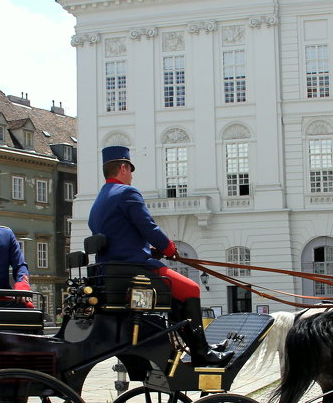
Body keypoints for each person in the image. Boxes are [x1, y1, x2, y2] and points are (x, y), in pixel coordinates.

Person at [88, 145, 231, 367]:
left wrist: (149, 249)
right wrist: (169, 248)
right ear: (124, 168)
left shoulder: (99, 201)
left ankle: (192, 345)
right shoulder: (127, 193)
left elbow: (121, 235)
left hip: (112, 271)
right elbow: (149, 228)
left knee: (176, 295)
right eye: (130, 170)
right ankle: (201, 352)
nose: (132, 176)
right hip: (133, 268)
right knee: (191, 289)